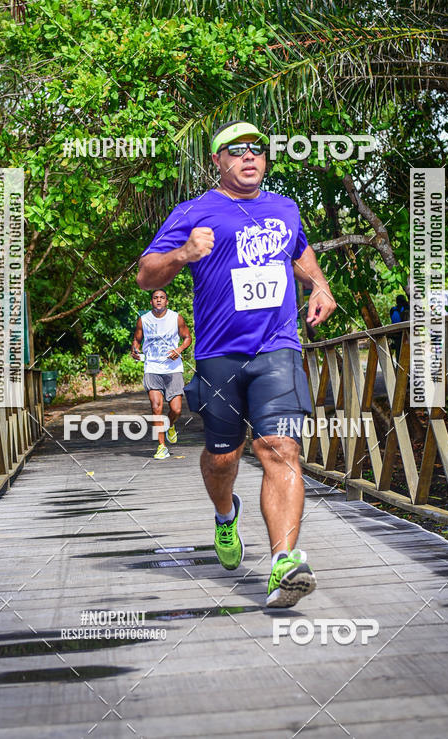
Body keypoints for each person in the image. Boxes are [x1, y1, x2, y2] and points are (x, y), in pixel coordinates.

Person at [136, 120, 337, 607]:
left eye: (257, 150)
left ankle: (284, 563)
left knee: (281, 450)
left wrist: (320, 285)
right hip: (220, 355)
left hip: (278, 347)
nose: (249, 157)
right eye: (236, 150)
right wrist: (184, 253)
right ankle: (226, 516)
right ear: (217, 161)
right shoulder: (194, 211)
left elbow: (299, 250)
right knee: (223, 458)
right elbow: (146, 275)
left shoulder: (284, 208)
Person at [131, 289, 191, 460]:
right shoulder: (143, 320)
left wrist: (179, 349)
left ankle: (169, 425)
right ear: (151, 302)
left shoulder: (176, 318)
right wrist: (135, 350)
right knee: (156, 407)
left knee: (176, 409)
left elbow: (187, 337)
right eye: (155, 298)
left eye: (162, 298)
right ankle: (161, 446)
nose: (158, 300)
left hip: (173, 368)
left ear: (167, 301)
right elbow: (137, 340)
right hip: (152, 368)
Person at [390, 294, 410, 363]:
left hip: (395, 333)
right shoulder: (406, 308)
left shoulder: (392, 309)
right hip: (404, 333)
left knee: (398, 353)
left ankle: (398, 370)